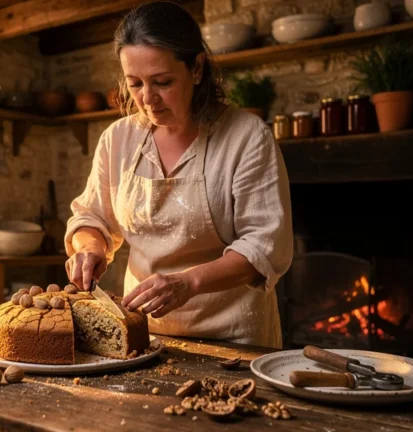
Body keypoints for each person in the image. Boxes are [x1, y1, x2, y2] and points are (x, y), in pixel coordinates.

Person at [63, 1, 293, 348]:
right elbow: (92, 217)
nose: (148, 99)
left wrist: (188, 283)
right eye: (135, 84)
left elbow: (264, 245)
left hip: (234, 338)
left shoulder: (246, 137)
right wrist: (90, 248)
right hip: (141, 335)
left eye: (162, 82)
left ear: (197, 68)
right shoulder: (118, 139)